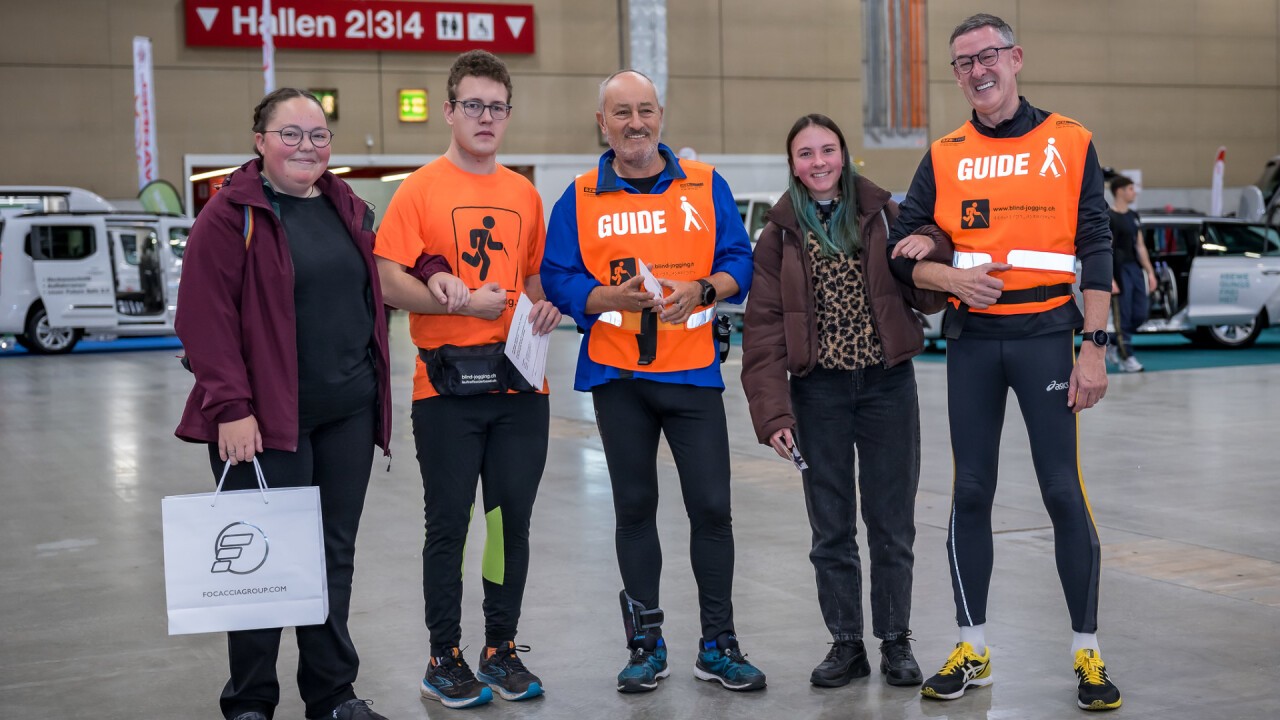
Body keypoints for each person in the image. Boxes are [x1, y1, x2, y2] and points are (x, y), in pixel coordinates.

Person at [886, 13, 1123, 712]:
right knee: (970, 493)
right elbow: (903, 251)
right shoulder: (944, 152)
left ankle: (1088, 651)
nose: (977, 70)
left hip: (1048, 336)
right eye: (962, 62)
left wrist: (1095, 345)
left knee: (1060, 490)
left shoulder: (1070, 140)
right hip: (973, 343)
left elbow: (1097, 244)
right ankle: (973, 646)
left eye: (988, 56)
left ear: (1015, 58)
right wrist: (950, 281)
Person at [540, 69, 765, 694]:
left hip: (693, 376)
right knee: (635, 509)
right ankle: (645, 644)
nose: (635, 123)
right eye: (621, 113)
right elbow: (555, 275)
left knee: (712, 510)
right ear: (602, 123)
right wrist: (601, 295)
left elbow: (740, 260)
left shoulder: (704, 183)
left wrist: (704, 288)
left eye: (644, 111)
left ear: (660, 115)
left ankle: (717, 644)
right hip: (620, 378)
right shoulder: (579, 196)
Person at [175, 88, 392, 720]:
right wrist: (231, 407)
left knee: (332, 555)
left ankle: (331, 694)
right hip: (264, 421)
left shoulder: (344, 204)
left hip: (347, 411)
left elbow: (371, 274)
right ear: (260, 141)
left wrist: (431, 265)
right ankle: (250, 700)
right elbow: (204, 320)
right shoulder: (231, 214)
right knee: (259, 561)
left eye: (319, 135)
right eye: (291, 134)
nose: (307, 147)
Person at [374, 49, 559, 710]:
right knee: (448, 525)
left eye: (497, 107)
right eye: (473, 105)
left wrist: (542, 303)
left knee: (509, 524)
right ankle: (443, 656)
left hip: (519, 389)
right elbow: (390, 278)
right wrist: (451, 301)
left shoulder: (524, 194)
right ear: (449, 111)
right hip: (446, 392)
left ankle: (501, 649)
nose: (485, 117)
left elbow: (534, 277)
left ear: (508, 115)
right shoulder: (419, 189)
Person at [740, 113, 952, 689]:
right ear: (793, 164)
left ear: (843, 154)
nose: (818, 162)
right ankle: (846, 643)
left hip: (887, 386)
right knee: (830, 528)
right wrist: (773, 411)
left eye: (827, 150)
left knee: (891, 523)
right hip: (818, 394)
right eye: (805, 154)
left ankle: (896, 641)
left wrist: (930, 241)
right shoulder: (778, 233)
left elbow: (932, 255)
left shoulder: (883, 213)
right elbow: (761, 329)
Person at [1107, 175, 1156, 372]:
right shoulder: (1108, 216)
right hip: (1118, 271)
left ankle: (1110, 341)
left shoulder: (1133, 216)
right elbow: (1106, 249)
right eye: (1130, 189)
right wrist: (1109, 277)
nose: (1134, 192)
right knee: (1123, 316)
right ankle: (1128, 358)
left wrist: (1150, 273)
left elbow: (1140, 246)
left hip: (1134, 269)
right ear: (1119, 191)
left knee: (1139, 314)